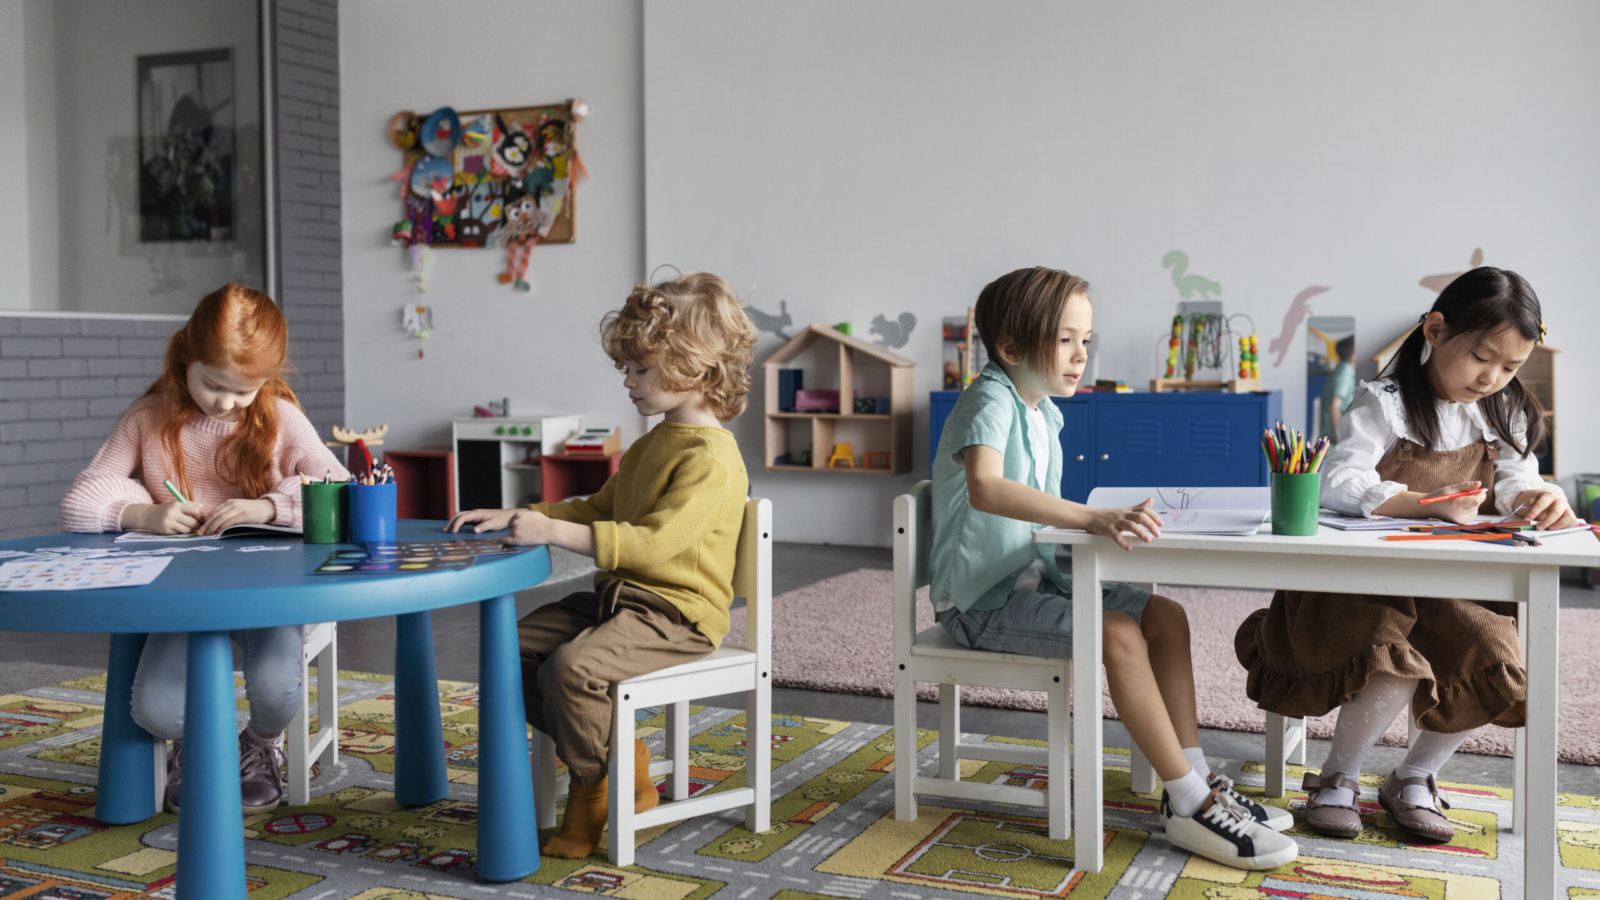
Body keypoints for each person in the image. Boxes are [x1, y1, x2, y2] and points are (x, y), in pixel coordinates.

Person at [931, 267, 1297, 870]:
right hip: (980, 603)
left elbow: (1032, 519)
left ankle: (1196, 780)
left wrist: (1096, 522)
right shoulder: (989, 397)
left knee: (1165, 616)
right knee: (1119, 632)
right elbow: (987, 488)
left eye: (1086, 340)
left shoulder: (1043, 410)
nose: (1081, 356)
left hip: (1031, 581)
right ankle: (1190, 802)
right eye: (1066, 340)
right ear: (1012, 348)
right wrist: (1092, 517)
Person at [1236, 266, 1575, 843]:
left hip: (1447, 585)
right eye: (1482, 358)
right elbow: (1339, 480)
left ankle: (1415, 776)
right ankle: (1337, 776)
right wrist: (1423, 502)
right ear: (1437, 330)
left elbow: (1517, 479)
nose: (1492, 377)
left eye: (1510, 366)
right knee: (1390, 656)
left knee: (1496, 651)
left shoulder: (1506, 409)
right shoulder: (1385, 402)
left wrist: (1540, 498)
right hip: (1362, 586)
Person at [447, 271, 758, 859]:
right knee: (509, 651)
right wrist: (522, 512)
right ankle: (621, 759)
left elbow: (651, 544)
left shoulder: (713, 459)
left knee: (571, 670)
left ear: (696, 368)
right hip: (622, 599)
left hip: (677, 614)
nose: (628, 381)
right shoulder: (652, 442)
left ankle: (593, 789)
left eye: (640, 369)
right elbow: (597, 508)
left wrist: (556, 532)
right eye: (627, 368)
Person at [59, 283, 350, 814]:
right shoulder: (150, 417)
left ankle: (260, 745)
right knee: (157, 712)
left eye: (245, 390)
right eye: (214, 385)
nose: (228, 404)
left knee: (278, 693)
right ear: (185, 358)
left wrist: (269, 507)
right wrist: (144, 513)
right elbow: (79, 502)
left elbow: (342, 491)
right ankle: (198, 745)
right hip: (183, 598)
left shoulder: (278, 415)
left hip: (269, 593)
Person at [1320, 334, 1357, 441]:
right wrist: (1339, 439)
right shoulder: (1344, 373)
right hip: (1334, 434)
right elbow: (1334, 406)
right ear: (1353, 354)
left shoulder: (1343, 369)